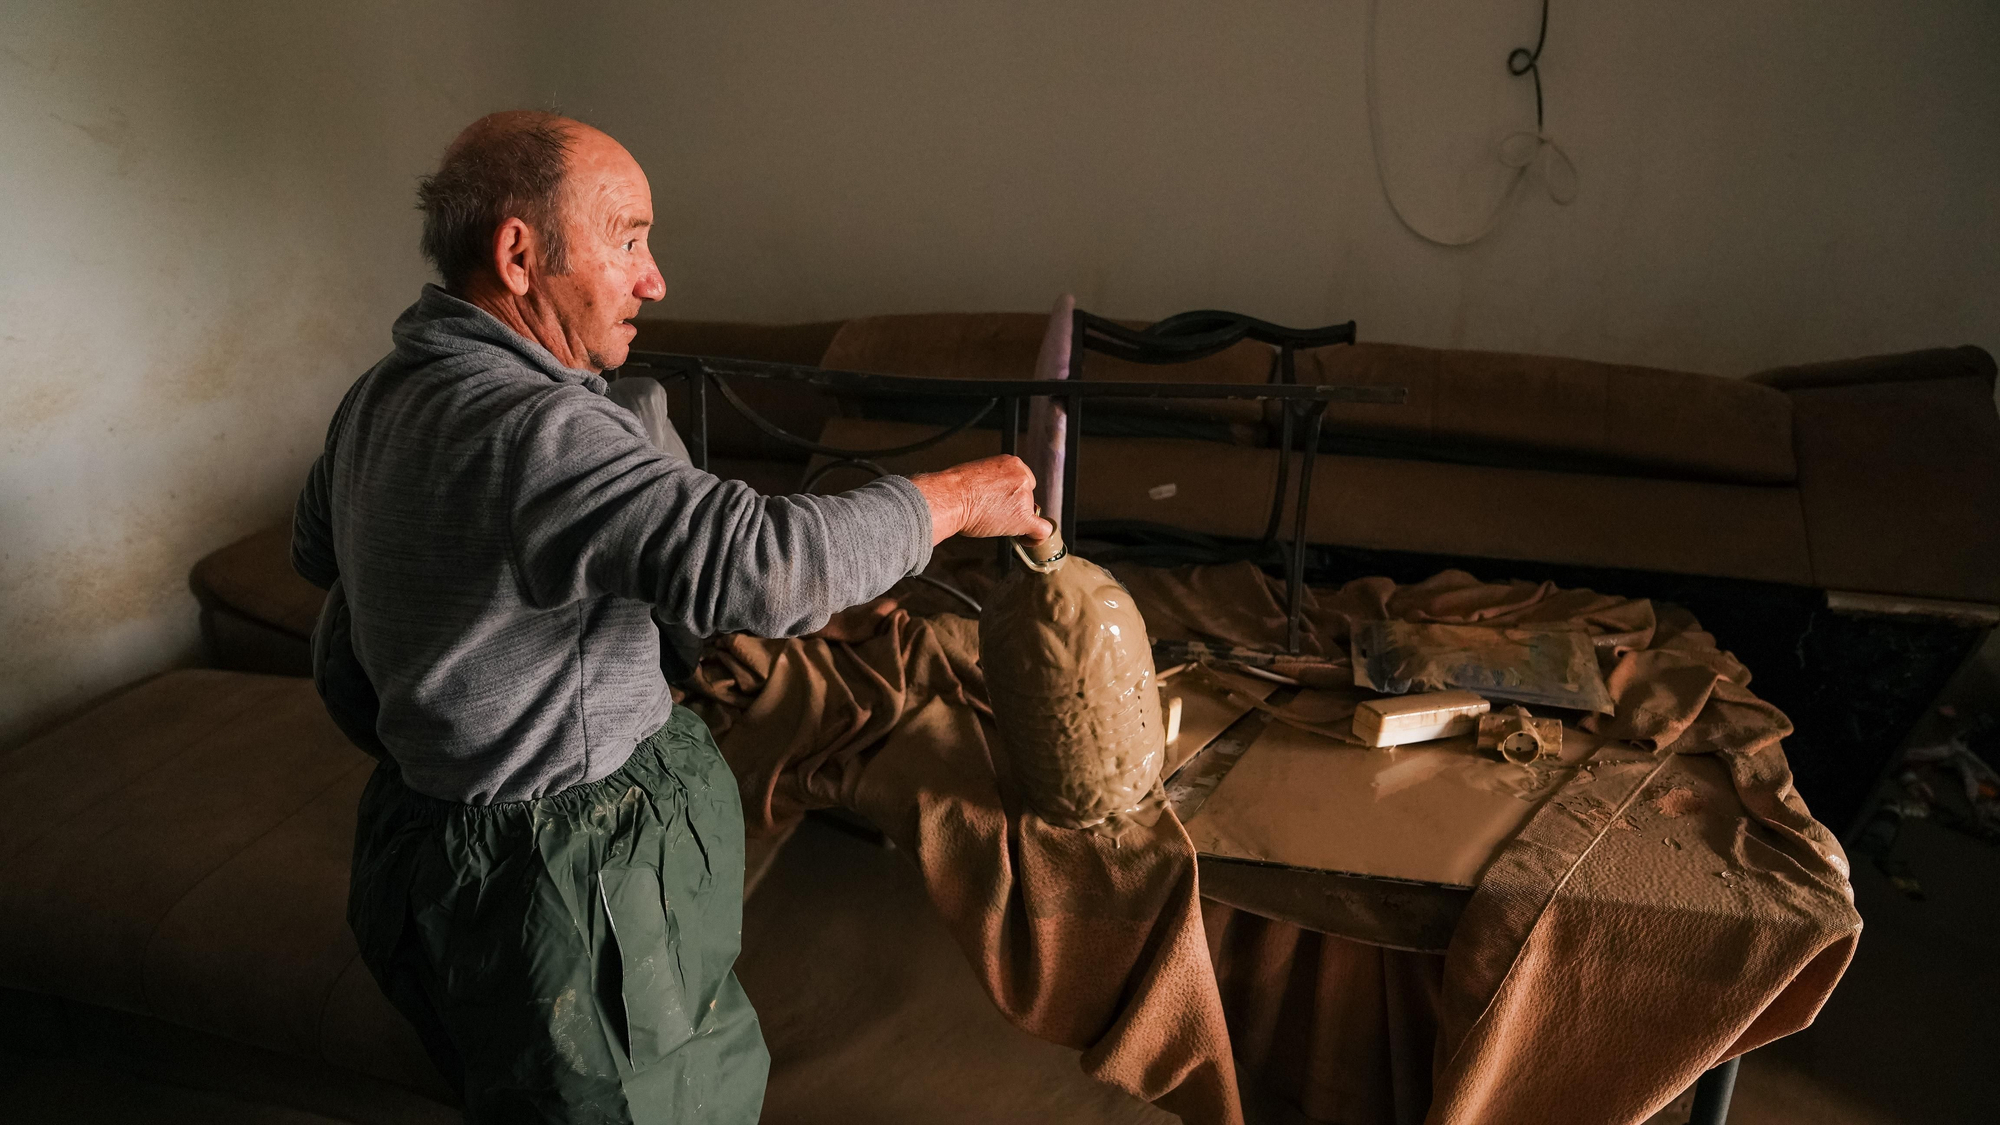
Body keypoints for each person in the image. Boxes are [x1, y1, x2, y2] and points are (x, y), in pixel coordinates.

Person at [290, 110, 1050, 1124]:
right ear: (519, 255)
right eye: (629, 239)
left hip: (420, 846)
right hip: (568, 884)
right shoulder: (539, 429)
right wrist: (956, 500)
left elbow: (318, 552)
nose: (655, 280)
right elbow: (768, 568)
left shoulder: (379, 394)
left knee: (516, 1086)